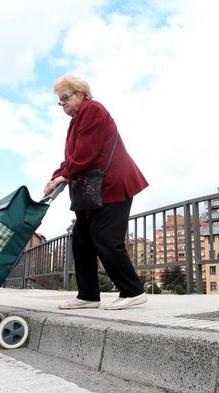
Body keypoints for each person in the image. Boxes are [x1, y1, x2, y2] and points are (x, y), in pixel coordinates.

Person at [44, 75, 149, 310]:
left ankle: (133, 290)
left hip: (113, 184)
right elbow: (73, 158)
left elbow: (86, 154)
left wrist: (64, 175)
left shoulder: (93, 110)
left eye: (66, 97)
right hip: (94, 190)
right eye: (59, 101)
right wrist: (56, 176)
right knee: (81, 238)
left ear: (81, 93)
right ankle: (88, 295)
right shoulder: (76, 121)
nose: (63, 104)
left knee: (105, 237)